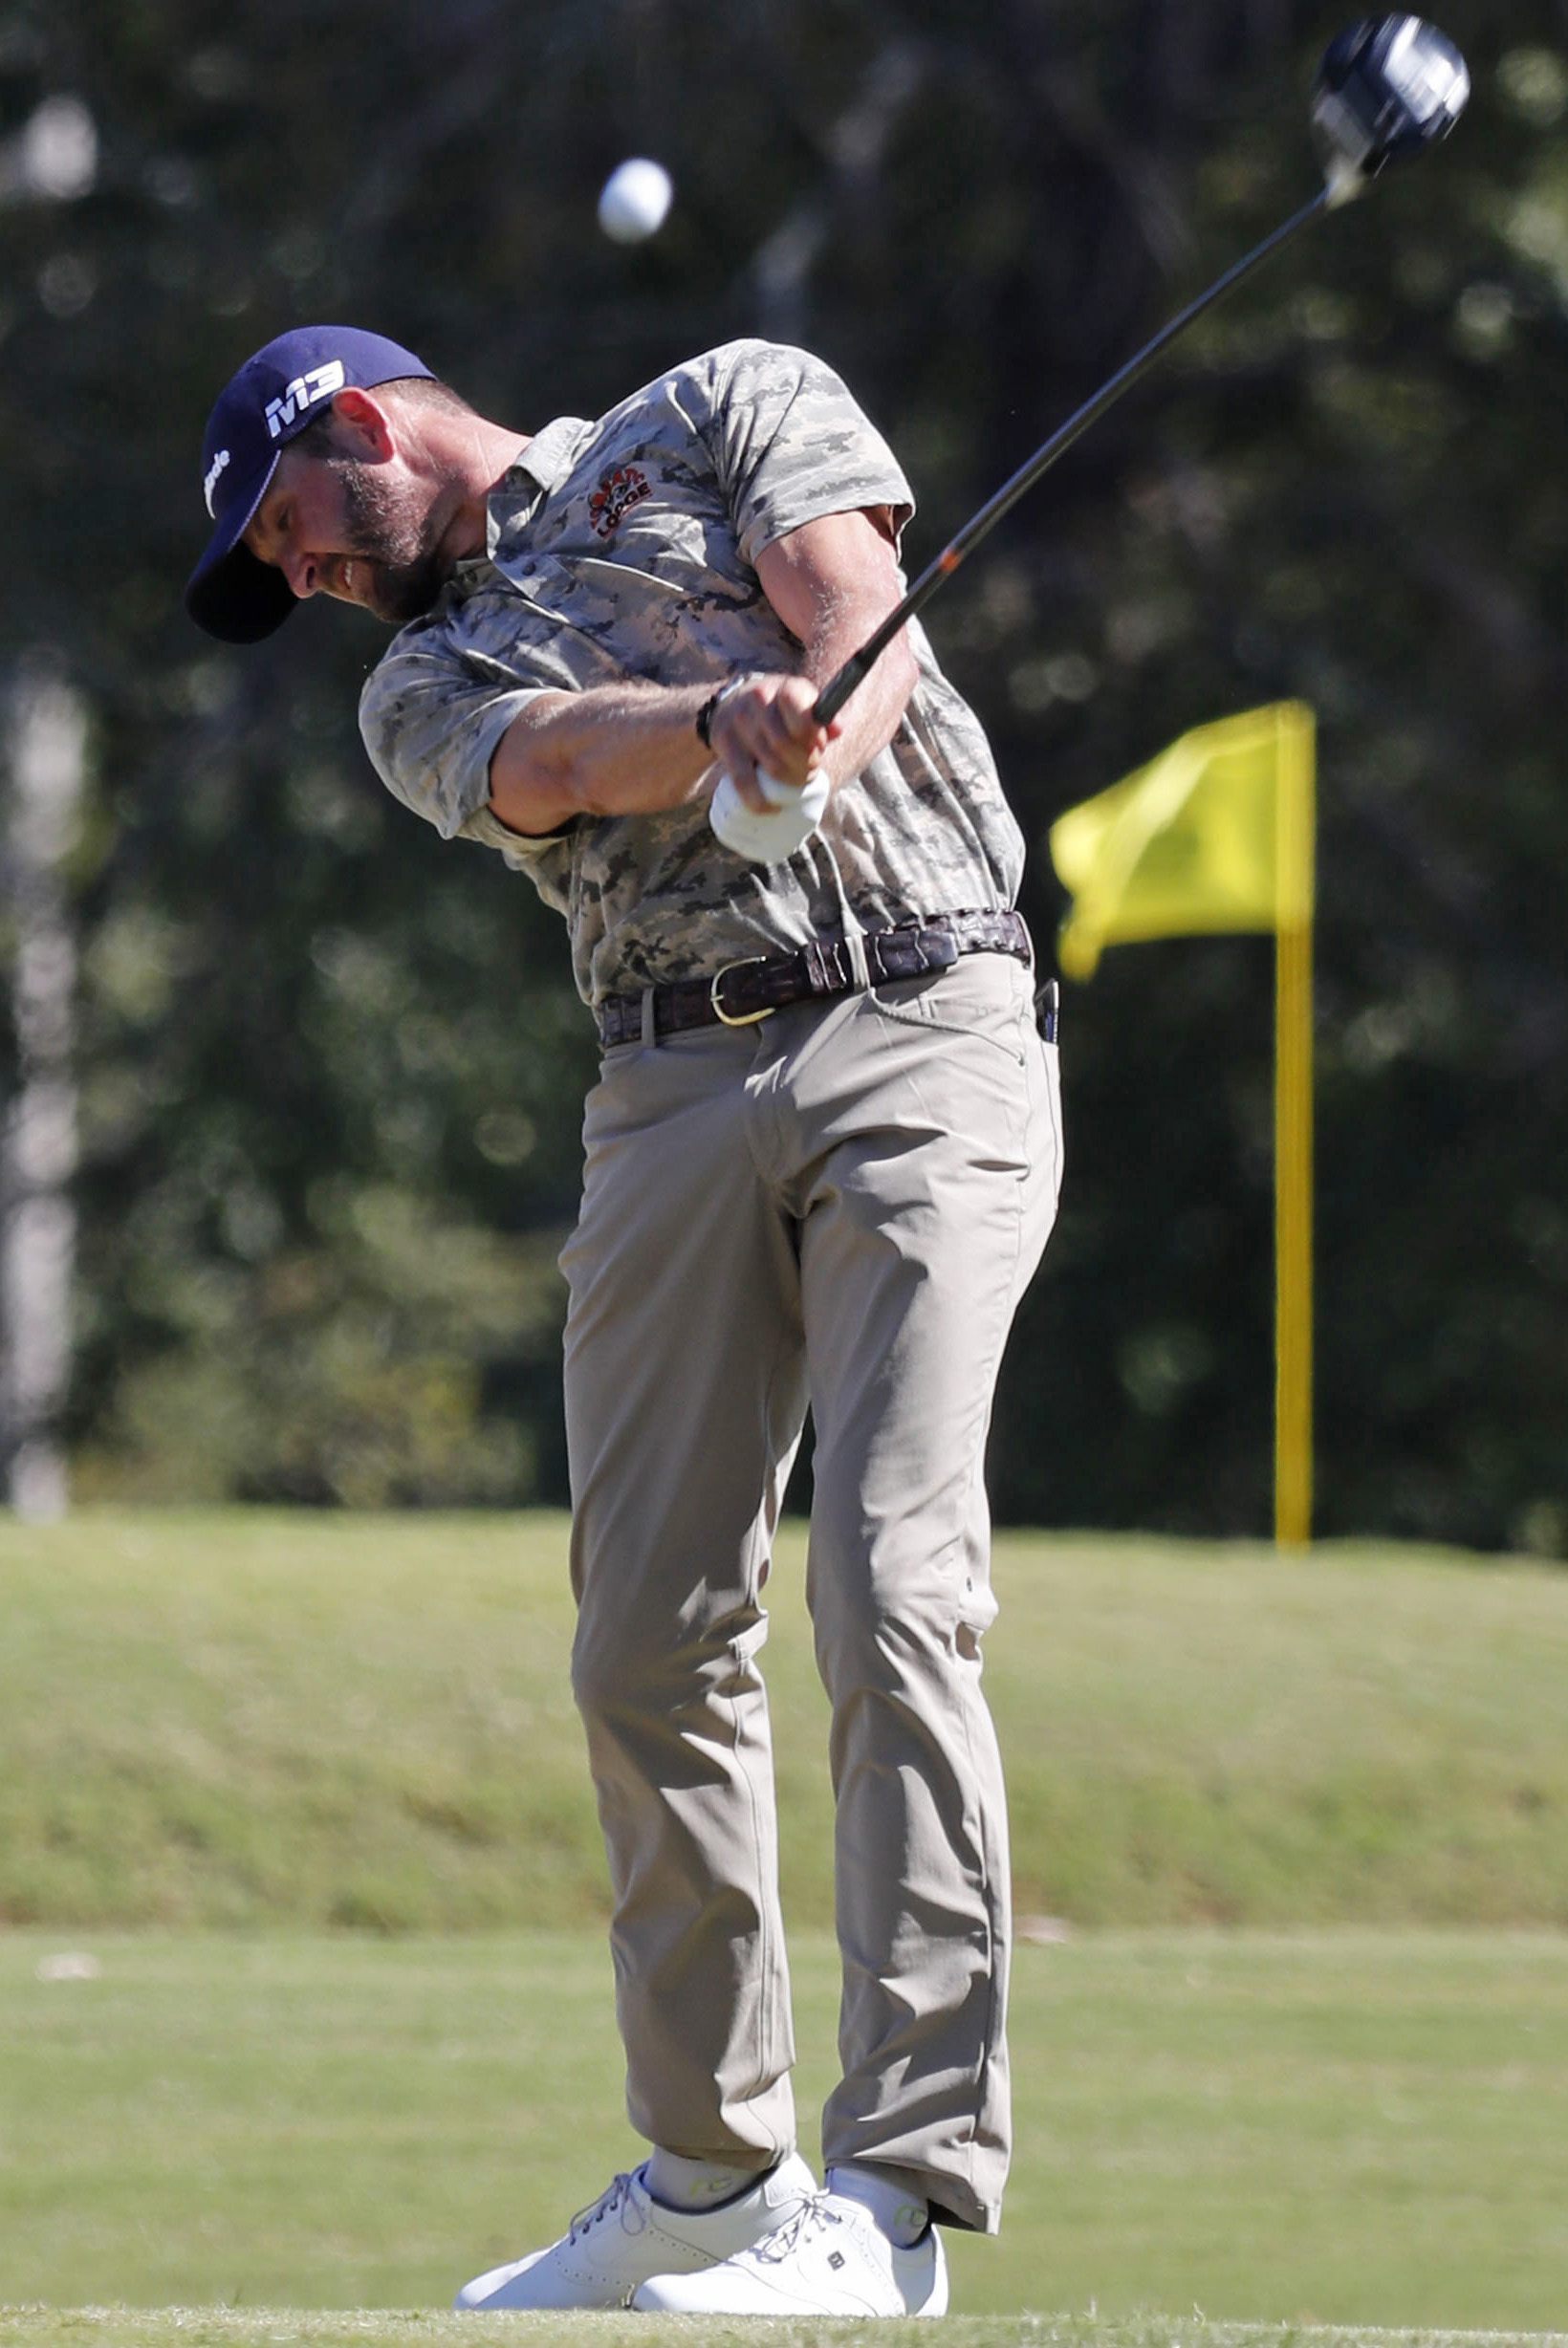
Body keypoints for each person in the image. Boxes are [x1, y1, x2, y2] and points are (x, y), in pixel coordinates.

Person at [185, 324, 1063, 2318]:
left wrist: (808, 723)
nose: (301, 573)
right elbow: (560, 763)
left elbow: (865, 616)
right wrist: (716, 725)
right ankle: (710, 2174)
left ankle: (901, 2192)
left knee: (890, 1582)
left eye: (293, 523)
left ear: (358, 422)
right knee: (643, 1635)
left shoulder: (727, 402)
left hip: (925, 1021)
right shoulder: (416, 682)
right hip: (665, 1087)